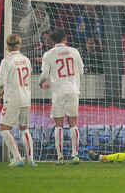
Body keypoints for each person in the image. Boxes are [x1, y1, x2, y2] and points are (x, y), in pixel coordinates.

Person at [39, 28, 84, 165]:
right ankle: (75, 155)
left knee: (59, 125)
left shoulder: (48, 54)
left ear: (52, 41)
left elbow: (45, 75)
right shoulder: (74, 51)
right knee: (73, 123)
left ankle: (60, 157)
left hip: (58, 92)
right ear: (65, 38)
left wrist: (41, 83)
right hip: (73, 90)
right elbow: (81, 71)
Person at [0, 34, 36, 167]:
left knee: (3, 128)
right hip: (26, 97)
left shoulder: (6, 61)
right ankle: (30, 160)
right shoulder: (26, 60)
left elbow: (1, 82)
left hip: (12, 98)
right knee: (24, 128)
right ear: (19, 44)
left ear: (7, 46)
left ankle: (17, 158)